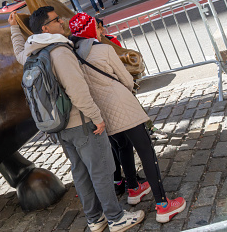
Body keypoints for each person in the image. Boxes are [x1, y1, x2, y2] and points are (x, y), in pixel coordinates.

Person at [9, 7, 144, 232]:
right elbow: (77, 91)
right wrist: (97, 117)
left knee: (80, 172)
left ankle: (95, 219)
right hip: (81, 123)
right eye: (56, 20)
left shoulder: (32, 52)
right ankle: (116, 218)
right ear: (45, 28)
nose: (62, 22)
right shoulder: (60, 52)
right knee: (100, 169)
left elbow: (18, 52)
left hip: (59, 126)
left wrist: (14, 28)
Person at [68, 12, 186, 223]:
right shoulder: (103, 49)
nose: (99, 29)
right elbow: (127, 79)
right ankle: (163, 205)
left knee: (121, 147)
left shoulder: (72, 58)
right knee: (146, 152)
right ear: (89, 30)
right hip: (123, 107)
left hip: (101, 113)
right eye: (96, 26)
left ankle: (133, 188)